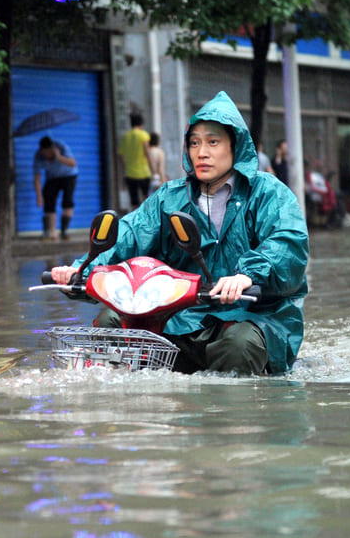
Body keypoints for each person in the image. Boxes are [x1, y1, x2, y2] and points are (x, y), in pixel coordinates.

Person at [48, 91, 309, 375]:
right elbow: (129, 234)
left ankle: (238, 416)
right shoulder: (169, 198)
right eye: (194, 142)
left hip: (252, 315)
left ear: (235, 146)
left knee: (239, 345)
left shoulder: (268, 193)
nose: (202, 152)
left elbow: (288, 243)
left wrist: (248, 275)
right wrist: (81, 270)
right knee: (112, 320)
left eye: (213, 142)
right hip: (181, 315)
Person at [32, 136, 78, 241]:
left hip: (69, 175)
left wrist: (59, 157)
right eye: (44, 152)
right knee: (48, 201)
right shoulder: (38, 156)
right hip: (52, 177)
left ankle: (64, 230)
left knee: (67, 202)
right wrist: (39, 196)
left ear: (52, 148)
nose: (46, 154)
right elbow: (37, 178)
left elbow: (73, 163)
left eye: (48, 151)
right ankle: (51, 231)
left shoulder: (61, 147)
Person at [117, 112, 152, 209]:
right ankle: (147, 221)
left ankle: (135, 222)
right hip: (144, 173)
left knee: (134, 201)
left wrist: (125, 169)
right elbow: (147, 153)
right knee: (146, 198)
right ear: (141, 123)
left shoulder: (124, 137)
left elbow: (121, 157)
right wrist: (154, 170)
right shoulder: (143, 135)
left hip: (130, 173)